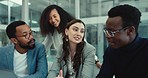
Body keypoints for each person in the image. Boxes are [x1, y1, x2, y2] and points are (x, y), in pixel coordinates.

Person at [96, 4, 148, 78]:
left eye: (112, 32)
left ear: (130, 31)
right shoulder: (111, 51)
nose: (107, 36)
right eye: (106, 31)